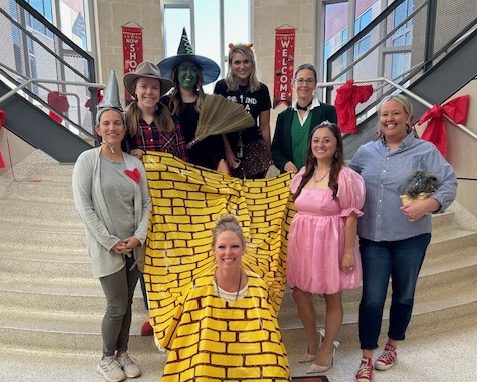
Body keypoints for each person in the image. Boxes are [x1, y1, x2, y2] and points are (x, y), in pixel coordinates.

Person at [348, 94, 457, 382]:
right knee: (372, 298)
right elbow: (346, 178)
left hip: (412, 237)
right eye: (384, 115)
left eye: (395, 114)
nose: (389, 119)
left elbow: (449, 183)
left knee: (404, 295)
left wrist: (428, 204)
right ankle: (366, 357)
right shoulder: (367, 151)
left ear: (408, 118)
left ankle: (392, 346)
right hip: (373, 237)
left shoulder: (425, 151)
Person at [72, 71, 151, 382]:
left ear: (123, 127)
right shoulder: (87, 161)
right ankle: (105, 357)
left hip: (133, 246)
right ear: (98, 128)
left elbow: (145, 205)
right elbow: (84, 206)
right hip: (108, 248)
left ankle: (122, 353)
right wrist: (109, 241)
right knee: (116, 304)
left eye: (117, 122)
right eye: (106, 123)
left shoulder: (134, 164)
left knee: (129, 303)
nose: (112, 127)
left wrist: (137, 237)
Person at [160, 214, 290, 381]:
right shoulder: (197, 288)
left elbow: (270, 340)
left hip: (252, 359)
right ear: (213, 249)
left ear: (243, 249)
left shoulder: (259, 286)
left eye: (234, 246)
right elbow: (185, 343)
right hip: (209, 360)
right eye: (222, 247)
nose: (228, 253)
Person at [288, 121, 365, 374]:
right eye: (316, 141)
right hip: (303, 241)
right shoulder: (304, 173)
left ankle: (327, 348)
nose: (320, 145)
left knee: (332, 294)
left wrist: (346, 252)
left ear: (336, 145)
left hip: (331, 242)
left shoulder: (345, 176)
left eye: (326, 140)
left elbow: (351, 216)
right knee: (299, 292)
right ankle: (313, 340)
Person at [123, 61, 188, 336]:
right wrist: (130, 155)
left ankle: (172, 311)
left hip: (170, 202)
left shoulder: (171, 121)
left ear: (160, 91)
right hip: (136, 203)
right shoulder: (124, 121)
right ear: (135, 90)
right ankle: (153, 314)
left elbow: (183, 162)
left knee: (170, 257)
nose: (148, 91)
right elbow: (109, 156)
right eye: (143, 86)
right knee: (145, 259)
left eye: (153, 87)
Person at [158, 28, 225, 171]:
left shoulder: (209, 103)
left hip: (206, 169)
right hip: (175, 172)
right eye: (184, 69)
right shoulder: (164, 104)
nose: (188, 74)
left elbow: (217, 137)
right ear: (176, 74)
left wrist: (221, 160)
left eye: (193, 69)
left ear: (198, 75)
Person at [214, 43, 272, 178]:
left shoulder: (261, 90)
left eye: (246, 61)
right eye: (237, 62)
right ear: (231, 64)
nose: (242, 66)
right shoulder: (222, 87)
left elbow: (264, 126)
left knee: (254, 193)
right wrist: (227, 152)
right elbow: (218, 124)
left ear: (252, 63)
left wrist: (268, 154)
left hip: (254, 147)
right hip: (229, 145)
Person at [271, 63, 337, 173]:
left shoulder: (328, 111)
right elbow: (276, 150)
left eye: (309, 80)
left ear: (315, 84)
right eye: (300, 80)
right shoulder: (283, 116)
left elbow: (334, 145)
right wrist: (284, 163)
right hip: (290, 178)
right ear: (293, 84)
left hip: (319, 176)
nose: (304, 84)